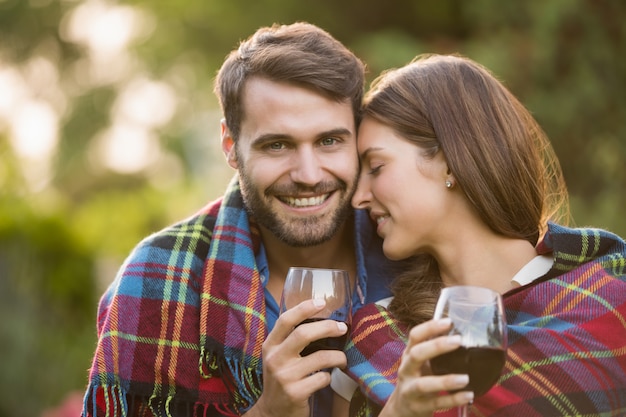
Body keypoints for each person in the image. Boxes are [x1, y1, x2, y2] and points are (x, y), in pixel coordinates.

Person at [81, 22, 407, 417]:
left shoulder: (414, 258)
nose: (308, 174)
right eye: (277, 144)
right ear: (230, 146)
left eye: (329, 141)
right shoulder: (155, 279)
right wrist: (267, 412)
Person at [331, 54, 626, 417]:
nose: (358, 198)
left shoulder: (608, 299)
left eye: (376, 167)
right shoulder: (374, 338)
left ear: (451, 161)